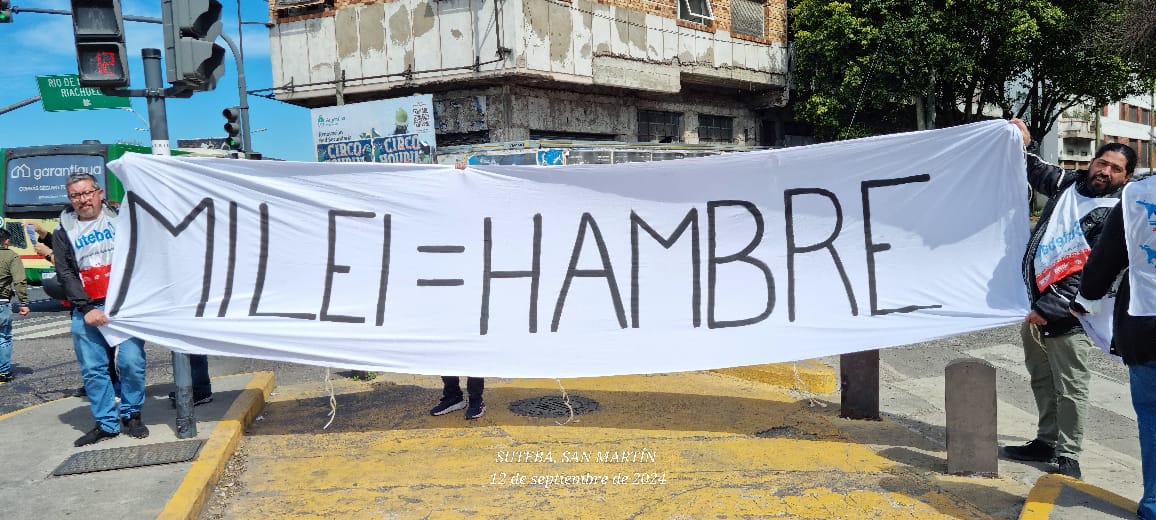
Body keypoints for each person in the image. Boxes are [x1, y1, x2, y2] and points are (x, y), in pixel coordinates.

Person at [998, 119, 1136, 480]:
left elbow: (1091, 268)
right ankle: (1045, 441)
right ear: (1091, 163)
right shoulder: (1069, 184)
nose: (1105, 171)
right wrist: (1021, 141)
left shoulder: (1117, 213)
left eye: (1115, 168)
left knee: (1071, 386)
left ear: (1126, 177)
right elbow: (1034, 169)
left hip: (1072, 314)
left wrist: (1051, 307)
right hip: (1034, 305)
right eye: (1101, 163)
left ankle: (1068, 454)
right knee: (1041, 378)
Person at [1070, 175, 1156, 517]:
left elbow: (1106, 257)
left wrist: (1086, 297)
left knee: (1152, 418)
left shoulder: (1137, 195)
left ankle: (1154, 504)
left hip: (1146, 325)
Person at [52, 172, 150, 446]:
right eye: (75, 195)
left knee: (131, 362)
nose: (82, 200)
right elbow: (65, 272)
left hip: (124, 306)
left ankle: (132, 414)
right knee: (94, 370)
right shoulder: (63, 230)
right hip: (88, 308)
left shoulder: (120, 218)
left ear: (99, 193)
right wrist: (85, 308)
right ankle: (106, 423)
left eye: (86, 193)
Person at [0, 229, 30, 383]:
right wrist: (23, 302)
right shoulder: (11, 256)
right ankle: (3, 372)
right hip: (1, 302)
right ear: (6, 241)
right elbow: (19, 281)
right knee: (3, 337)